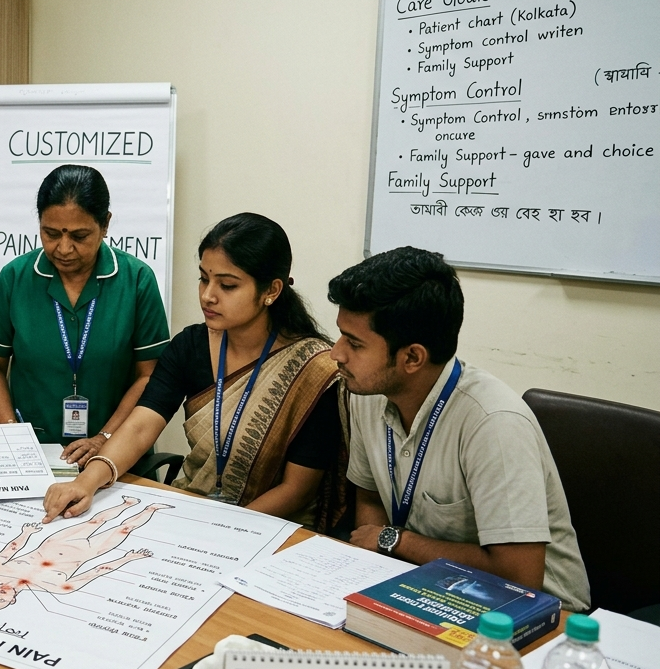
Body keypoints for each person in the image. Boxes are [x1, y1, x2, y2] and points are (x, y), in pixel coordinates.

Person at [43, 214, 347, 532]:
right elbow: (141, 426)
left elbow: (297, 490)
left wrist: (224, 530)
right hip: (196, 508)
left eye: (227, 285)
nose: (207, 295)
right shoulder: (191, 345)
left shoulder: (313, 371)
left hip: (270, 528)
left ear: (271, 290)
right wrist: (87, 482)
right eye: (203, 279)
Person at [329, 247, 590, 611]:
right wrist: (375, 571)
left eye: (354, 343)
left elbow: (519, 576)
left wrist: (394, 540)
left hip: (533, 612)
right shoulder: (367, 392)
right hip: (424, 585)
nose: (336, 353)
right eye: (341, 335)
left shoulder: (494, 424)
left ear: (412, 357)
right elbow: (371, 495)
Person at [0, 165, 170, 468]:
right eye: (51, 234)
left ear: (105, 224)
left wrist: (105, 438)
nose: (64, 249)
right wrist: (12, 433)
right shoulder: (15, 277)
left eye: (80, 236)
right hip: (33, 455)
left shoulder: (136, 281)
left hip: (117, 455)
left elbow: (149, 375)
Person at [0, 495, 168, 611]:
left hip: (57, 542)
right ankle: (151, 508)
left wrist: (26, 533)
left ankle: (127, 504)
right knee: (124, 529)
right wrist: (127, 558)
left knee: (95, 521)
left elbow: (11, 549)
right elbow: (96, 572)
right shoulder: (57, 588)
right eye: (0, 600)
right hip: (88, 552)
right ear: (11, 601)